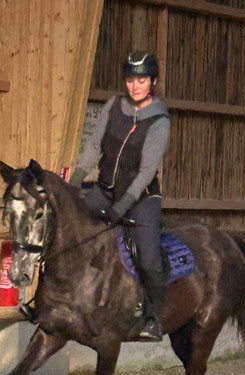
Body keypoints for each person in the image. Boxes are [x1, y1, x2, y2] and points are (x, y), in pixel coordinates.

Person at [68, 51, 171, 341]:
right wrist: (73, 183)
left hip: (141, 198)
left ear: (153, 82)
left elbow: (147, 171)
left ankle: (155, 316)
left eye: (142, 80)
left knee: (148, 257)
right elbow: (94, 145)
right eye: (130, 80)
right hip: (105, 190)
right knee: (67, 224)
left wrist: (122, 206)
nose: (135, 86)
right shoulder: (113, 106)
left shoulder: (159, 120)